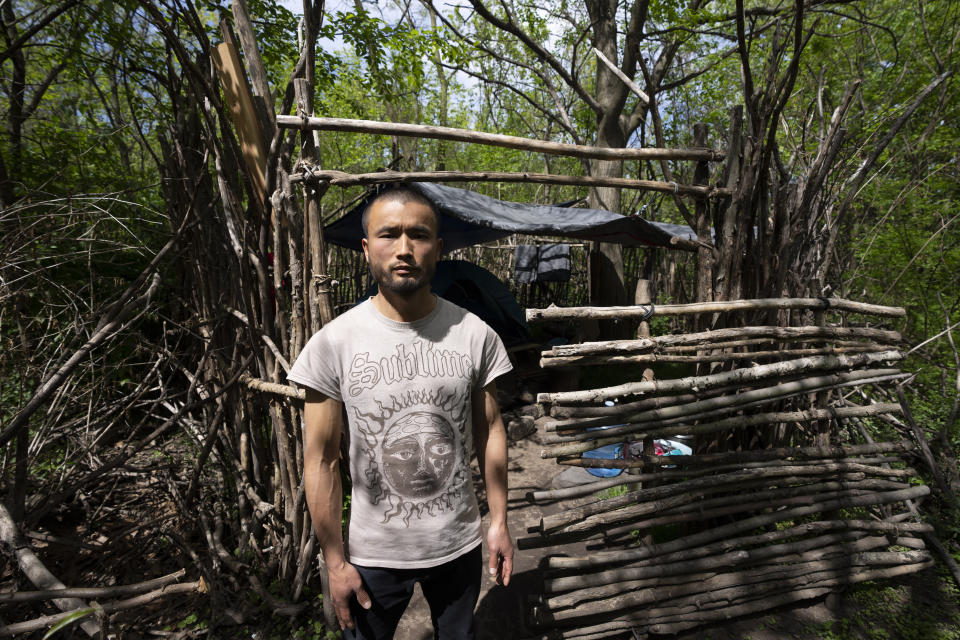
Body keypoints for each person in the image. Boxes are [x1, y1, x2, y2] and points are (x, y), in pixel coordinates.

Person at [287, 186, 514, 639]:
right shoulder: (334, 344)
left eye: (419, 235)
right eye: (389, 235)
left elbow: (490, 429)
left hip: (458, 545)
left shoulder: (475, 336)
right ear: (367, 248)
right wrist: (334, 561)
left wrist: (500, 522)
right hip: (373, 558)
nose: (405, 249)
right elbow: (321, 459)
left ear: (439, 248)